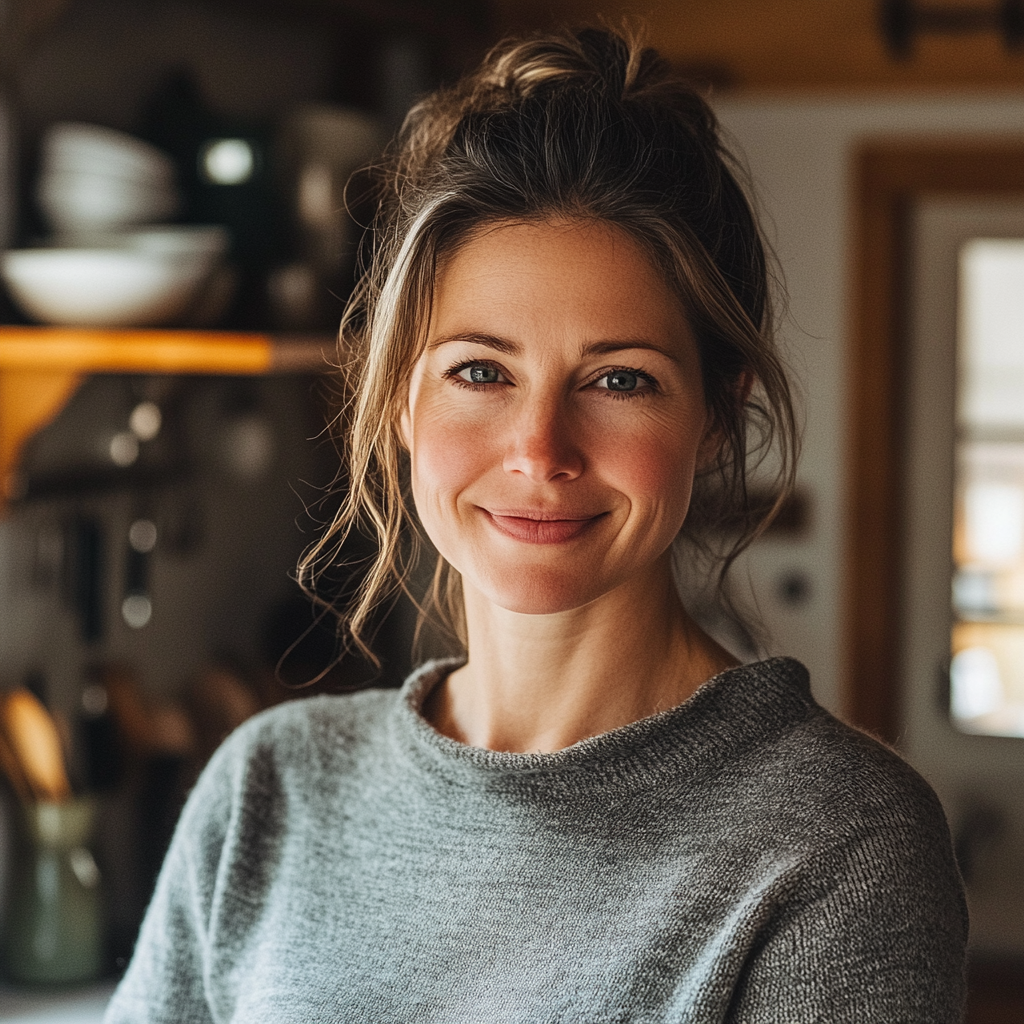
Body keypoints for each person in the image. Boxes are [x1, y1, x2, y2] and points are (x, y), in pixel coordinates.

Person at [104, 27, 968, 1023]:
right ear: (396, 400)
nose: (539, 449)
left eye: (618, 379)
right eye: (480, 370)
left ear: (717, 416)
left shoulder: (837, 849)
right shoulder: (268, 790)